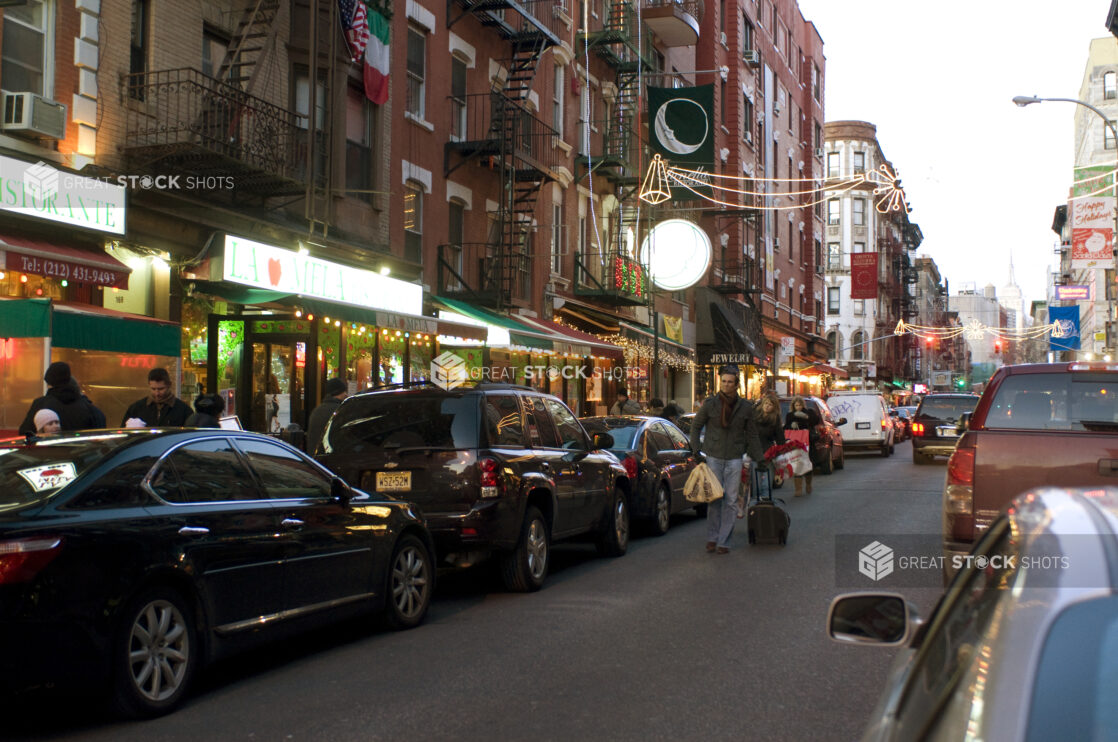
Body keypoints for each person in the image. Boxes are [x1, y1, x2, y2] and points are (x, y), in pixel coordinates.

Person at [688, 365, 767, 554]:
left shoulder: (746, 407)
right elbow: (695, 427)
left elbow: (753, 436)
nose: (726, 385)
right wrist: (696, 450)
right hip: (713, 456)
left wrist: (760, 458)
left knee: (731, 501)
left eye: (730, 382)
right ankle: (712, 538)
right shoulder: (710, 404)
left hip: (734, 457)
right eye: (723, 381)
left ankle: (724, 541)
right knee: (714, 498)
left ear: (736, 384)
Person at [18, 362, 105, 435]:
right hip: (82, 454)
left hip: (48, 453)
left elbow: (26, 433)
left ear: (49, 383)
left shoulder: (40, 404)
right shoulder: (89, 408)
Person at [121, 368, 191, 427]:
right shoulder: (136, 408)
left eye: (161, 389)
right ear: (149, 385)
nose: (157, 393)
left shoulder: (184, 410)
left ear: (169, 385)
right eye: (153, 389)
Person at [753, 391, 787, 501]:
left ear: (774, 407)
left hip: (768, 452)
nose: (767, 406)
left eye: (770, 404)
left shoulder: (775, 419)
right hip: (752, 451)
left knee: (766, 481)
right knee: (755, 481)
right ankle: (756, 503)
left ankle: (766, 501)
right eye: (766, 403)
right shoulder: (754, 415)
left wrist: (781, 452)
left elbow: (780, 437)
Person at [784, 395, 821, 496]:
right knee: (797, 465)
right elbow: (786, 428)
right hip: (795, 443)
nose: (798, 407)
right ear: (793, 405)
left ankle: (808, 484)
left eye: (800, 405)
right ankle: (798, 489)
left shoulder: (808, 412)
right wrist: (791, 426)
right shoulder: (790, 415)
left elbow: (816, 421)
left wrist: (806, 417)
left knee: (808, 464)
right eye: (796, 405)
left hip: (808, 443)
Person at [307, 377, 348, 454]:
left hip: (315, 457)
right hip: (330, 458)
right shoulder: (339, 410)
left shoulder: (317, 410)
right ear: (338, 392)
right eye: (344, 391)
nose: (346, 394)